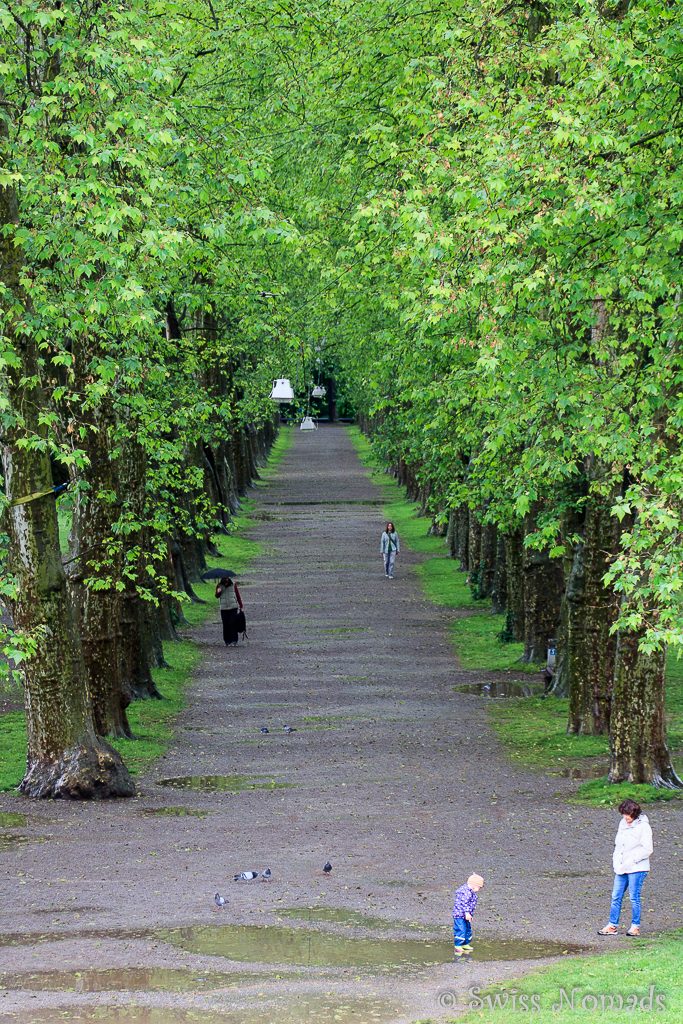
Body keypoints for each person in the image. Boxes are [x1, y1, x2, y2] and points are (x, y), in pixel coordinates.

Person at [598, 798, 653, 937]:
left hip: (637, 867)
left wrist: (633, 860)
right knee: (615, 896)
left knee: (634, 897)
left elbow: (648, 849)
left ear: (634, 814)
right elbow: (619, 845)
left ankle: (635, 926)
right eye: (624, 814)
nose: (625, 817)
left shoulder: (643, 826)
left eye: (627, 815)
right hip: (621, 867)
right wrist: (616, 861)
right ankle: (612, 925)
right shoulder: (622, 823)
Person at [452, 873, 485, 957]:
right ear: (474, 885)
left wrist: (470, 914)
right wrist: (467, 913)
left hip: (467, 914)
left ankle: (465, 943)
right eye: (479, 887)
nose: (479, 889)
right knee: (461, 929)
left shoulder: (471, 892)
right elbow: (465, 903)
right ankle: (458, 945)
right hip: (460, 915)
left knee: (467, 929)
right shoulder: (465, 892)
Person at [215, 577, 244, 647]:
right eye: (225, 579)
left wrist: (241, 605)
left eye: (227, 579)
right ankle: (227, 640)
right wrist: (218, 591)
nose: (226, 581)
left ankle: (234, 640)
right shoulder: (219, 586)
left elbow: (237, 595)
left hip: (233, 607)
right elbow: (217, 596)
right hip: (224, 608)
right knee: (225, 625)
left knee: (233, 623)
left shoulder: (233, 585)